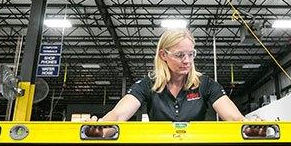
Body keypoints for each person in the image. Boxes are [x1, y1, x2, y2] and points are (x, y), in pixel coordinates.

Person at [91, 28, 246, 122]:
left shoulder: (206, 84)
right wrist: (100, 127)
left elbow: (234, 118)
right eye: (179, 55)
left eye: (191, 54)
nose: (187, 61)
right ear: (163, 55)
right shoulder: (147, 84)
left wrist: (250, 126)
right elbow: (118, 115)